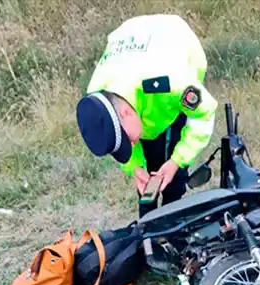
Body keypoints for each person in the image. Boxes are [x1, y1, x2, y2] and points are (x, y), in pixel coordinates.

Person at [75, 14, 218, 218]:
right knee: (148, 170)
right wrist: (135, 167)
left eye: (128, 141)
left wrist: (177, 161)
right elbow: (119, 138)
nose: (132, 145)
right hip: (131, 42)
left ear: (126, 111)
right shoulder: (98, 97)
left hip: (172, 43)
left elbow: (204, 112)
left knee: (172, 173)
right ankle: (149, 219)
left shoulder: (172, 83)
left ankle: (173, 212)